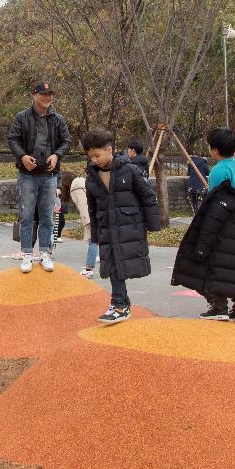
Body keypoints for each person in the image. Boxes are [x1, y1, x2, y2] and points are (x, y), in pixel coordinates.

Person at [174, 127, 235, 322]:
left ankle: (219, 306)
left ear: (214, 150)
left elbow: (215, 200)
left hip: (225, 222)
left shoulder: (218, 170)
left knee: (217, 265)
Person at [82, 128, 160, 324]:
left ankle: (119, 305)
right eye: (90, 156)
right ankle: (121, 304)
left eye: (97, 155)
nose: (94, 160)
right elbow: (92, 208)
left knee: (119, 265)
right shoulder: (91, 177)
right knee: (112, 265)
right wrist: (94, 234)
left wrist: (152, 224)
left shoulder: (130, 170)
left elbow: (148, 196)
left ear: (110, 150)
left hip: (128, 225)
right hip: (106, 227)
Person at [7, 81, 71, 274]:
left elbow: (67, 141)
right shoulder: (22, 117)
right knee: (26, 215)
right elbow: (13, 139)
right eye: (43, 94)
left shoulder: (57, 119)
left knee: (47, 216)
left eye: (50, 94)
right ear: (34, 95)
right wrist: (23, 156)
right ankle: (27, 253)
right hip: (27, 175)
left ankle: (45, 252)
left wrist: (57, 155)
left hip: (50, 175)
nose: (47, 97)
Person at [68, 169, 98, 278]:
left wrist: (86, 220)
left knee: (93, 241)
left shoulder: (76, 188)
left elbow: (83, 206)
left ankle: (89, 268)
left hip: (91, 216)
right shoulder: (86, 183)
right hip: (99, 213)